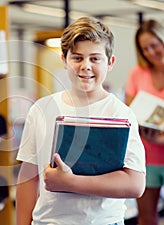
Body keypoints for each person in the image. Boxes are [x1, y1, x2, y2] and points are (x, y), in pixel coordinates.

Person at [16, 16, 146, 225]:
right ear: (64, 60)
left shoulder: (121, 114)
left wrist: (70, 182)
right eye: (77, 58)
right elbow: (28, 178)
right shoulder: (41, 109)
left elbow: (135, 184)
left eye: (95, 59)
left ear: (110, 62)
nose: (85, 66)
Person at [125, 19, 164, 225]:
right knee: (147, 219)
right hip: (145, 158)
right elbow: (130, 113)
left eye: (154, 45)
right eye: (144, 48)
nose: (150, 52)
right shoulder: (137, 73)